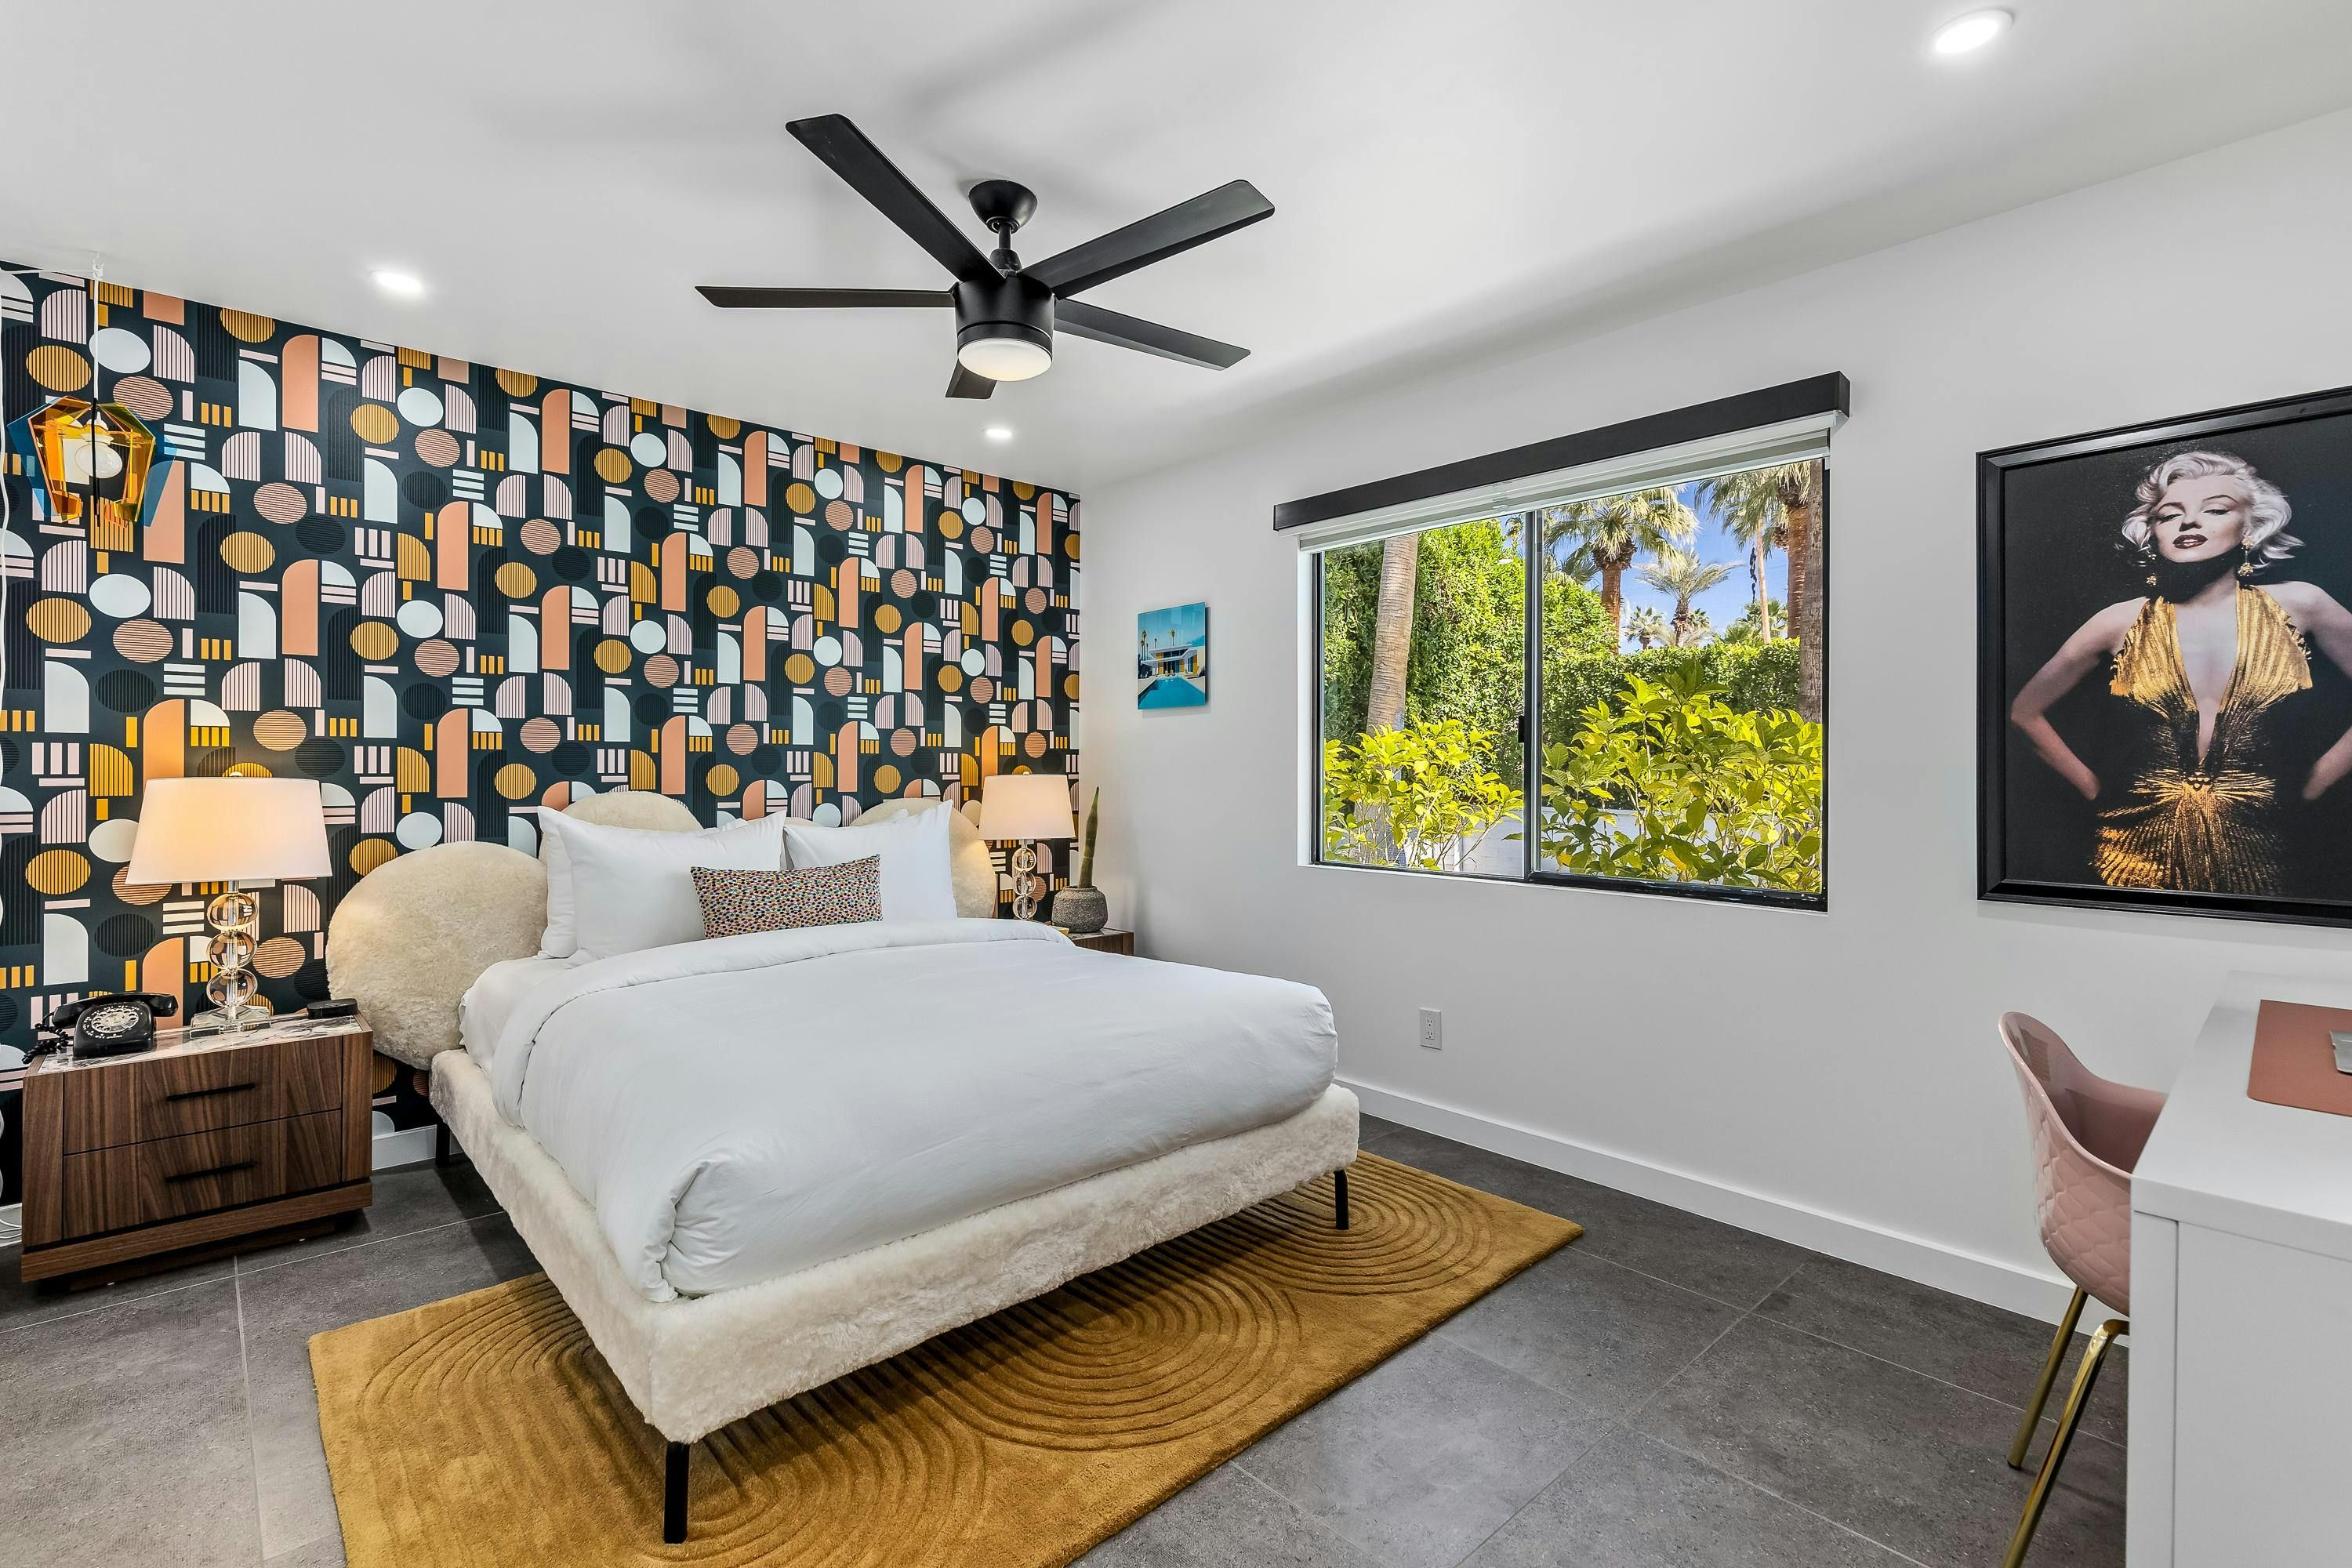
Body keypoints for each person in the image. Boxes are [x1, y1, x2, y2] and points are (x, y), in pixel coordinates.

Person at [2009, 450, 2352, 895]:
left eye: (2215, 510)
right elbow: (2025, 711)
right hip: (2130, 853)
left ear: (2250, 527)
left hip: (2272, 845)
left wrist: (2314, 786)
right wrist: (2094, 790)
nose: (2189, 522)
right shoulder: (2119, 621)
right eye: (2170, 515)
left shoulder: (2302, 603)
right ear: (2153, 534)